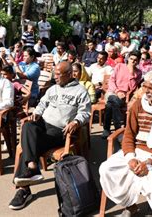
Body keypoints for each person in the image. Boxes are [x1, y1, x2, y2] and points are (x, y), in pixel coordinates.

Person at [9, 62, 91, 210]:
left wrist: (76, 122)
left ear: (69, 74)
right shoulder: (53, 88)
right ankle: (32, 166)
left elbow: (85, 112)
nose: (55, 76)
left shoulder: (80, 91)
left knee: (28, 147)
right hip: (43, 124)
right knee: (28, 125)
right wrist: (37, 112)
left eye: (59, 74)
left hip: (59, 131)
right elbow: (42, 103)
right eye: (55, 73)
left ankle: (23, 190)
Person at [99, 70, 152, 217]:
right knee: (106, 169)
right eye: (144, 86)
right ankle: (130, 205)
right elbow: (129, 134)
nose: (146, 91)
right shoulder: (138, 104)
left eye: (151, 88)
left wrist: (150, 162)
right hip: (136, 151)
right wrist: (130, 158)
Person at [102, 51, 142, 138]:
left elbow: (132, 87)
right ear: (128, 59)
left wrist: (131, 73)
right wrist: (117, 91)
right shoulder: (119, 66)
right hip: (112, 92)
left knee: (110, 105)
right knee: (114, 100)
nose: (132, 61)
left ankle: (107, 129)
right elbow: (112, 81)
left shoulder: (138, 73)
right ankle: (118, 131)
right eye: (131, 59)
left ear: (138, 61)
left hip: (125, 96)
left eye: (135, 60)